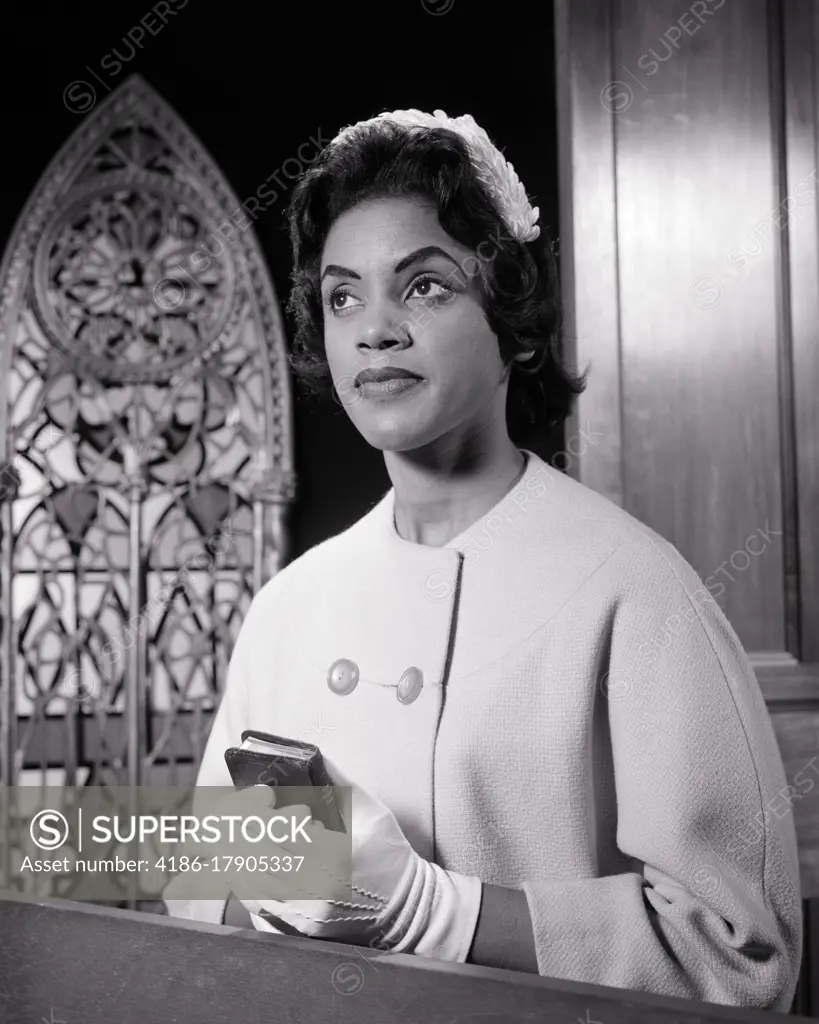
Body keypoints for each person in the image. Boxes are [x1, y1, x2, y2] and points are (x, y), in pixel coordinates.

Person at [164, 108, 802, 1012]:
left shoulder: (637, 592)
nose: (374, 329)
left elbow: (740, 960)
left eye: (423, 287)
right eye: (343, 297)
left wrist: (435, 913)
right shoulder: (288, 608)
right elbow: (201, 913)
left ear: (514, 323)